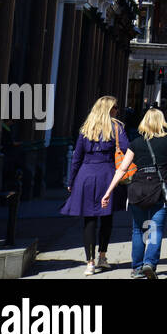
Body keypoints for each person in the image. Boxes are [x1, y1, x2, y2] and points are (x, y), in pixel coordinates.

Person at [102, 107, 167, 279]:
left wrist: (108, 192)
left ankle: (137, 268)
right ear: (161, 122)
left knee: (138, 230)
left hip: (137, 189)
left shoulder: (136, 143)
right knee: (155, 229)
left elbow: (122, 169)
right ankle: (150, 263)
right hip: (159, 188)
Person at [60, 96, 130, 275]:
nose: (117, 111)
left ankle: (89, 263)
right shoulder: (116, 127)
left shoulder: (87, 128)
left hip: (86, 175)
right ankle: (102, 257)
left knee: (89, 220)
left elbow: (77, 157)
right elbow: (127, 148)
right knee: (107, 218)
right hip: (107, 175)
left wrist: (71, 181)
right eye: (114, 108)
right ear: (108, 109)